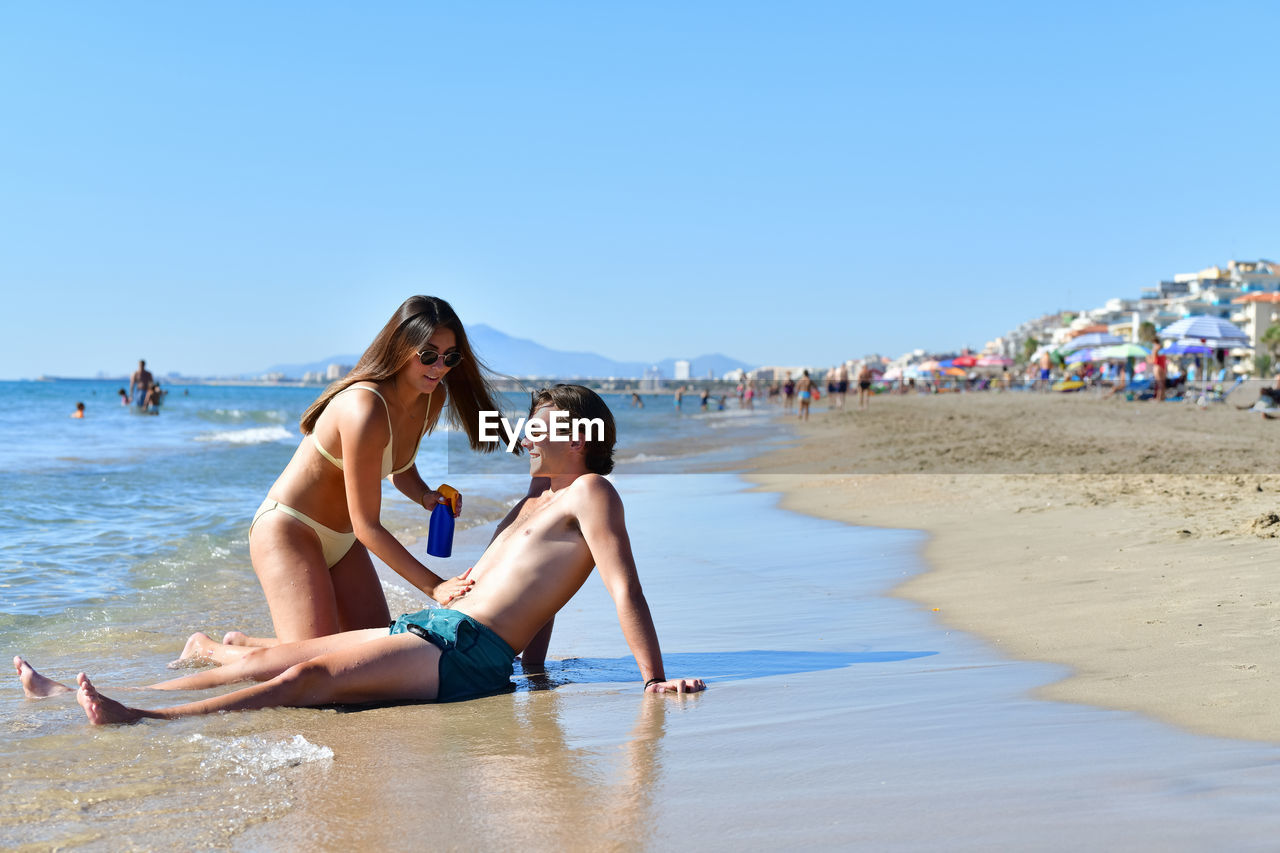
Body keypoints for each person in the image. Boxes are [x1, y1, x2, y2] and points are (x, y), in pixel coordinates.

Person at [16, 385, 705, 724]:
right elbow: (539, 591)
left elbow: (624, 589)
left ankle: (141, 720)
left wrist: (654, 678)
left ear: (582, 433)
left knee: (307, 678)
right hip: (437, 632)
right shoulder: (537, 499)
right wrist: (536, 668)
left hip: (464, 654)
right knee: (272, 658)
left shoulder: (593, 492)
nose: (527, 431)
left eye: (543, 421)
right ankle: (67, 694)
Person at [244, 296, 503, 645]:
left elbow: (399, 465)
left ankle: (242, 645)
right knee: (314, 663)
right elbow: (367, 526)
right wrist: (435, 586)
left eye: (450, 357)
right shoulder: (363, 407)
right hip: (290, 530)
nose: (439, 366)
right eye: (428, 355)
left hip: (344, 540)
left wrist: (425, 495)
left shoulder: (432, 396)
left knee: (370, 652)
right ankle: (214, 649)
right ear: (400, 347)